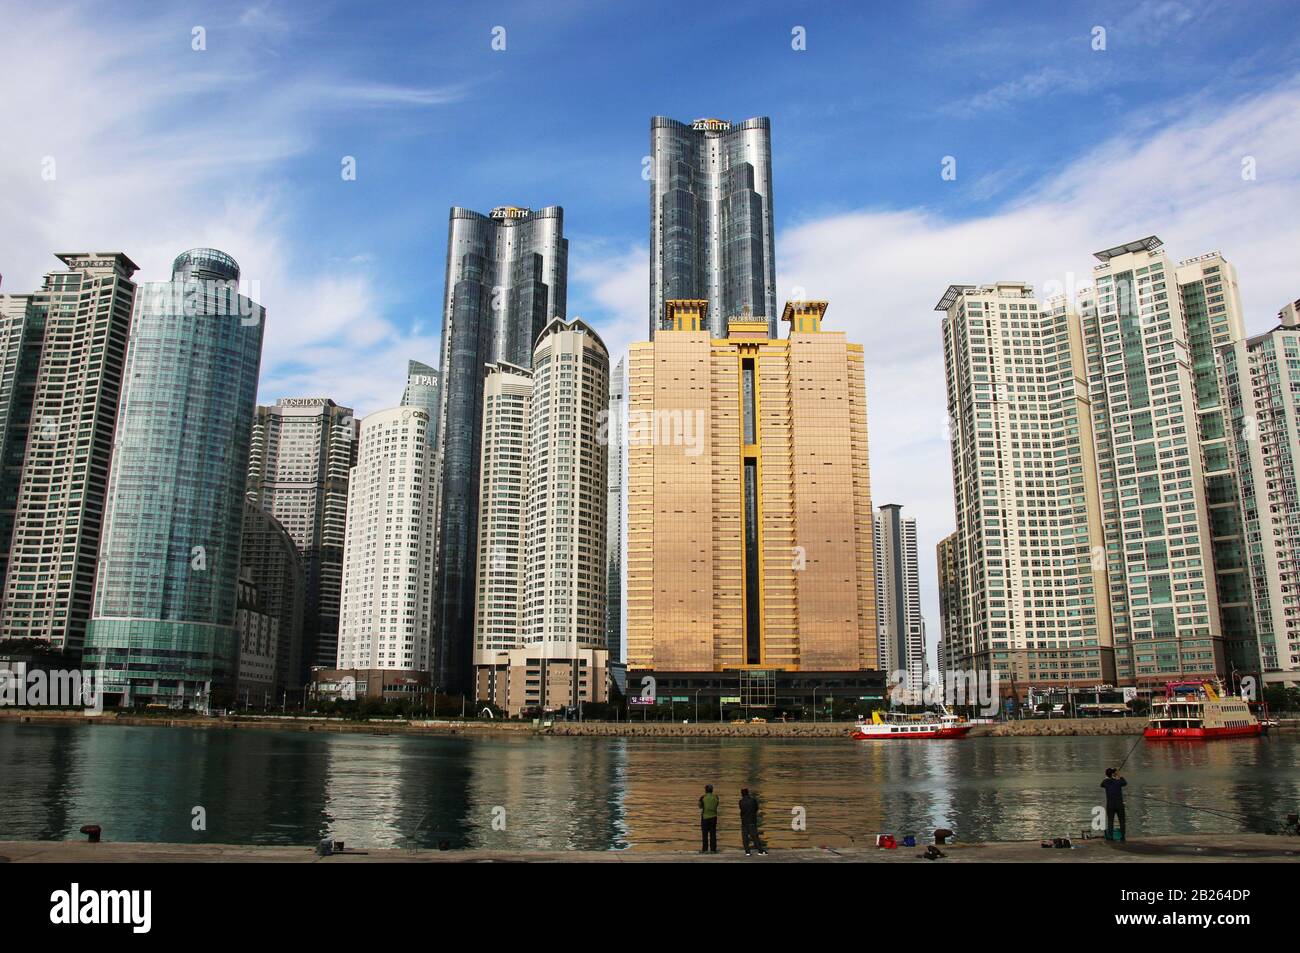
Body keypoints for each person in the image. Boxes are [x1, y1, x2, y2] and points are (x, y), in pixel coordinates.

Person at [1101, 767, 1127, 841]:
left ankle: (1110, 836)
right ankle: (1123, 836)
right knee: (1122, 820)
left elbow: (1102, 784)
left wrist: (1108, 777)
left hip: (1110, 805)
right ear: (1113, 774)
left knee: (1110, 821)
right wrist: (1119, 775)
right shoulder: (1118, 781)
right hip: (1119, 804)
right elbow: (1125, 782)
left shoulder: (1106, 782)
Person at [739, 787, 767, 855]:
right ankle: (760, 851)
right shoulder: (753, 800)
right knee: (755, 837)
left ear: (742, 794)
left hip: (744, 822)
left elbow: (742, 811)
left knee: (745, 837)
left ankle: (747, 852)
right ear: (748, 793)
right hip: (752, 821)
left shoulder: (741, 801)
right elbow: (756, 809)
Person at [698, 784, 719, 853]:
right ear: (712, 790)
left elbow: (700, 806)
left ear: (706, 790)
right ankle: (713, 849)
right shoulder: (716, 797)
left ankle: (705, 849)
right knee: (713, 834)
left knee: (705, 834)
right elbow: (717, 805)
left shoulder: (703, 797)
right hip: (714, 817)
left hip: (705, 817)